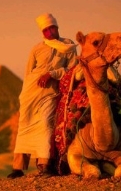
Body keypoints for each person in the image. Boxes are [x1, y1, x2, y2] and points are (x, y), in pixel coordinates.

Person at [7, 13, 78, 179]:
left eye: (51, 28)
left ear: (57, 27)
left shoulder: (68, 46)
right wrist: (25, 93)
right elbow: (28, 72)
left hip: (50, 92)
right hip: (31, 93)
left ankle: (44, 165)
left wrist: (53, 73)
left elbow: (73, 69)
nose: (49, 32)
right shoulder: (37, 48)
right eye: (45, 30)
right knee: (24, 126)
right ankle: (18, 167)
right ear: (42, 32)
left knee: (45, 124)